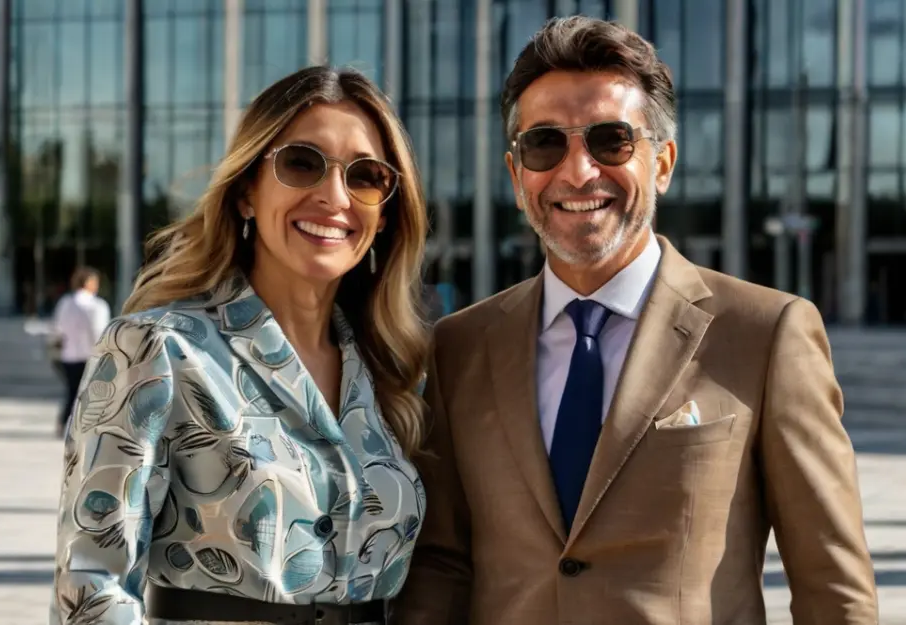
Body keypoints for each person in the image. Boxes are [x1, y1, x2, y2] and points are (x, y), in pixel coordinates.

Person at [392, 16, 878, 625]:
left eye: (610, 140)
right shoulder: (460, 345)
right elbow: (442, 565)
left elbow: (833, 587)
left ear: (664, 163)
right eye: (545, 144)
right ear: (517, 178)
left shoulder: (766, 333)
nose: (578, 172)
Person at [50, 66, 429, 625]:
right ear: (248, 190)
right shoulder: (156, 350)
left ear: (386, 212)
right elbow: (93, 584)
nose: (333, 196)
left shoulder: (390, 372)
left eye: (366, 176)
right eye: (302, 163)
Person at [52, 266, 111, 437]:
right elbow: (99, 332)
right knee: (92, 394)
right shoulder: (97, 305)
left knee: (72, 392)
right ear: (89, 283)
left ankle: (63, 423)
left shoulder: (65, 303)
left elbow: (58, 329)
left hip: (69, 355)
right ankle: (88, 427)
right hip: (91, 356)